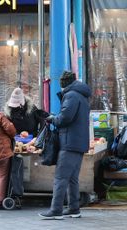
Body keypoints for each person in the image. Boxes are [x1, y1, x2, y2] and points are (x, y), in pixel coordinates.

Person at [39, 71, 91, 220]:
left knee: (61, 177)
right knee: (72, 178)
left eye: (62, 80)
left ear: (66, 82)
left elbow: (65, 118)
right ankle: (74, 208)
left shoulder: (71, 95)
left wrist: (52, 119)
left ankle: (56, 210)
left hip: (69, 142)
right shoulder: (81, 95)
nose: (60, 82)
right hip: (78, 142)